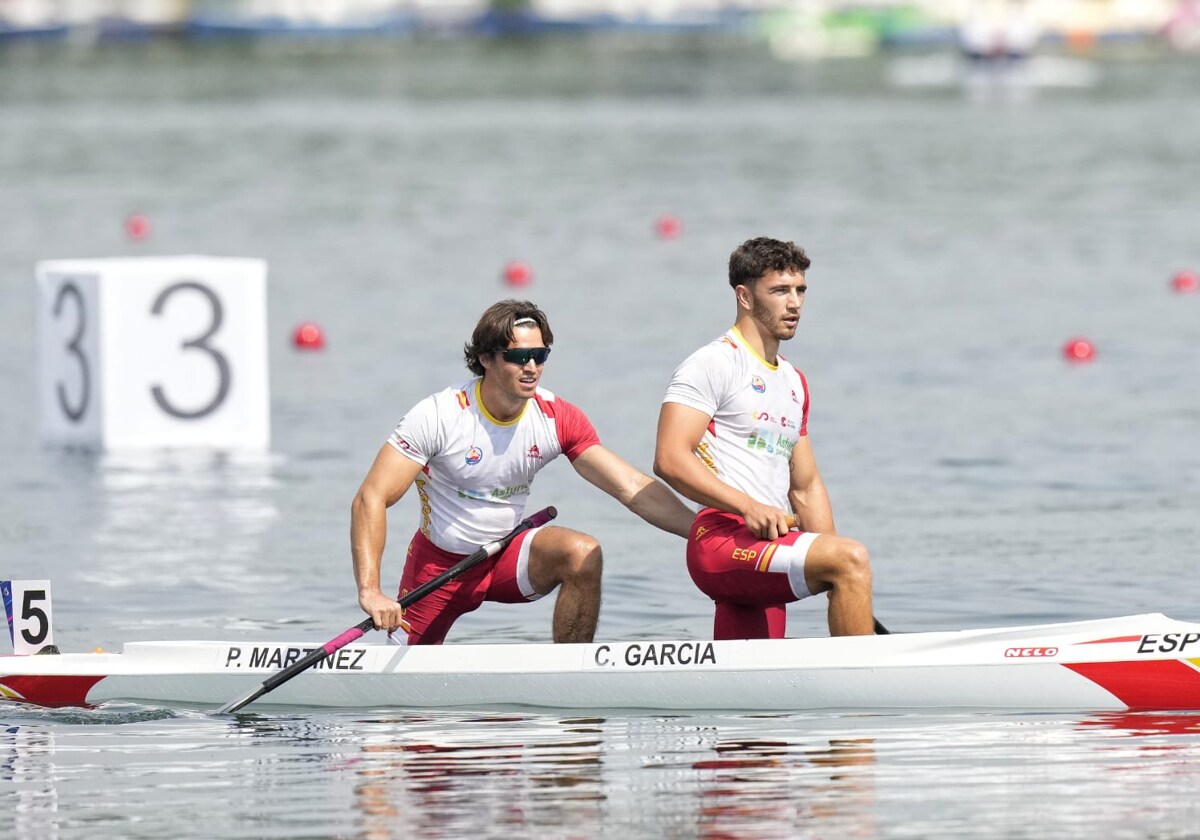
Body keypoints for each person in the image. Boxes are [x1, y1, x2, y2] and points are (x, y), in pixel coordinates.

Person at [352, 299, 695, 645]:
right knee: (407, 686)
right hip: (439, 569)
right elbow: (372, 497)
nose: (531, 367)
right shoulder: (439, 416)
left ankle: (569, 673)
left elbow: (631, 487)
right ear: (486, 359)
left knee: (581, 553)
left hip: (504, 559)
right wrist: (371, 591)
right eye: (517, 357)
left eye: (540, 356)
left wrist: (699, 530)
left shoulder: (555, 417)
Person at [653, 237, 875, 641]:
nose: (794, 304)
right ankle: (865, 697)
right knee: (852, 557)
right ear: (745, 296)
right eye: (779, 291)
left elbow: (805, 488)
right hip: (719, 539)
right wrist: (749, 506)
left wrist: (830, 564)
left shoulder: (794, 381)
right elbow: (669, 458)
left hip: (766, 545)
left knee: (756, 699)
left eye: (800, 290)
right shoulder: (712, 364)